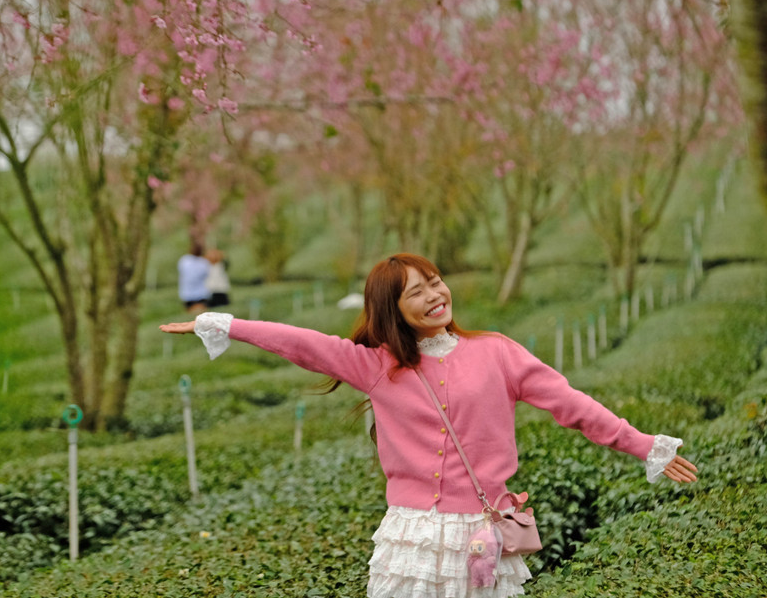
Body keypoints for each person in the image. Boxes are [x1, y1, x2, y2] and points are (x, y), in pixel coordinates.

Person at [160, 253, 698, 598]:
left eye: (435, 282)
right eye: (415, 291)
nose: (434, 295)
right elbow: (305, 343)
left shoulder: (498, 353)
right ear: (392, 308)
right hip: (410, 537)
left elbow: (571, 405)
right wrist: (224, 323)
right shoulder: (376, 366)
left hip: (482, 536)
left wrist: (643, 445)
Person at [177, 243, 212, 313]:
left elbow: (181, 271)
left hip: (187, 293)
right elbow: (206, 274)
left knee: (189, 316)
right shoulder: (204, 262)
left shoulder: (184, 260)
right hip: (201, 293)